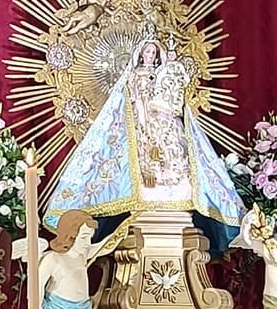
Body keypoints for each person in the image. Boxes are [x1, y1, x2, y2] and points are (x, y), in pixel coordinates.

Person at [49, 32, 244, 234]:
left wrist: (171, 70)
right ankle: (149, 181)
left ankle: (173, 183)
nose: (150, 55)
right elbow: (136, 100)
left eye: (153, 51)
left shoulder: (163, 72)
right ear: (141, 54)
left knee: (174, 151)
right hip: (143, 119)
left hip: (166, 120)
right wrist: (143, 121)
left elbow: (174, 96)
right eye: (147, 51)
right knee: (145, 154)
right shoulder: (135, 75)